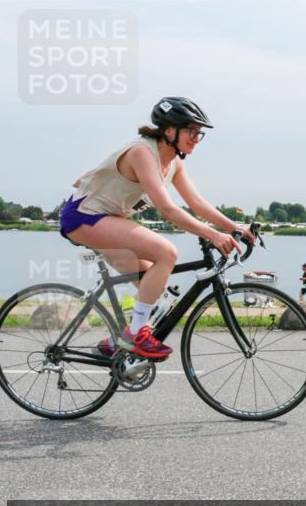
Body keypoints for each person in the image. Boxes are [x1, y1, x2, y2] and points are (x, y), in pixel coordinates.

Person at [62, 97, 251, 359]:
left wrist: (235, 228)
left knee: (155, 289)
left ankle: (117, 343)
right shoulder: (142, 152)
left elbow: (196, 203)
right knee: (166, 252)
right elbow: (168, 209)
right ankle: (136, 336)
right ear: (169, 130)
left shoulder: (174, 162)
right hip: (84, 217)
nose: (196, 138)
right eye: (191, 131)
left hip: (108, 220)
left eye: (199, 133)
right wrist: (213, 234)